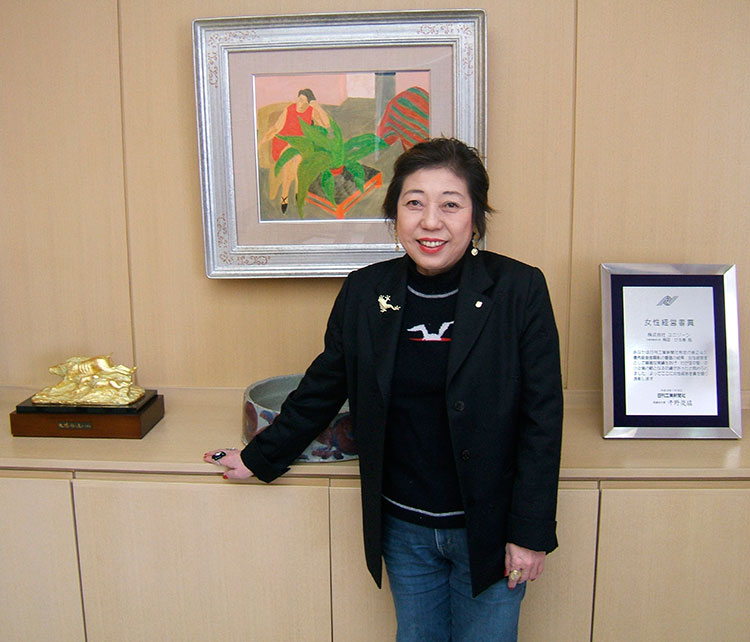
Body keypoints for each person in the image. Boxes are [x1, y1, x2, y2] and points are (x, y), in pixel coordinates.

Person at [205, 138, 563, 641]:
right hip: (404, 528)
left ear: (476, 216)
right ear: (395, 213)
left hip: (491, 527)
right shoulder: (365, 290)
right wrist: (259, 458)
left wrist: (529, 533)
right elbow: (323, 386)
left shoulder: (518, 290)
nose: (430, 221)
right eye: (414, 203)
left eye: (450, 205)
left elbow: (542, 416)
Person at [259, 88, 330, 213]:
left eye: (304, 102)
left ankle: (291, 193)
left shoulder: (311, 111)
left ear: (309, 103)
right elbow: (276, 128)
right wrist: (261, 142)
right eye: (300, 100)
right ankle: (289, 192)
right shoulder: (289, 109)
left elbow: (326, 124)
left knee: (297, 158)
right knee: (292, 157)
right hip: (283, 142)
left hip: (301, 145)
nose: (301, 104)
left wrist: (316, 106)